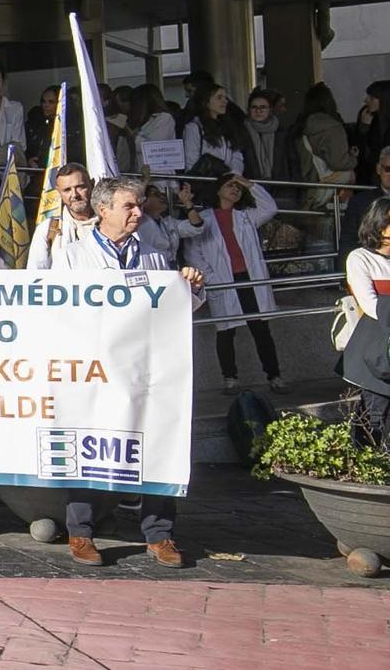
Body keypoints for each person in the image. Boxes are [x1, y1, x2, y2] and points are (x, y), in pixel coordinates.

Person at [48, 175, 203, 568]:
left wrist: (190, 288)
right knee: (86, 447)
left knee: (156, 446)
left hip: (144, 370)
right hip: (93, 369)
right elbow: (56, 311)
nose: (138, 212)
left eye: (138, 205)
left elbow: (171, 311)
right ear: (103, 211)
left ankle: (160, 535)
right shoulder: (72, 255)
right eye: (129, 206)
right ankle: (80, 533)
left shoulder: (153, 255)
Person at [171, 172, 285, 393]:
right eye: (230, 186)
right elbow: (194, 253)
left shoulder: (246, 216)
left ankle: (275, 376)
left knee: (261, 329)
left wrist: (248, 183)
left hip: (249, 279)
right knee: (225, 331)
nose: (235, 190)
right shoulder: (203, 218)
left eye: (238, 188)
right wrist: (213, 278)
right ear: (218, 189)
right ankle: (230, 378)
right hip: (223, 281)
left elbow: (270, 207)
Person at [340, 200, 390, 441]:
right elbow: (369, 303)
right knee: (375, 412)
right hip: (376, 347)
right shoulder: (360, 258)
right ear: (378, 224)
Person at [181, 81, 246, 176]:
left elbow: (237, 155)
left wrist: (233, 174)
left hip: (228, 181)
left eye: (225, 97)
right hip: (207, 182)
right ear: (206, 102)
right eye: (219, 97)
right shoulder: (194, 128)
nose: (225, 101)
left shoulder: (228, 126)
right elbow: (191, 161)